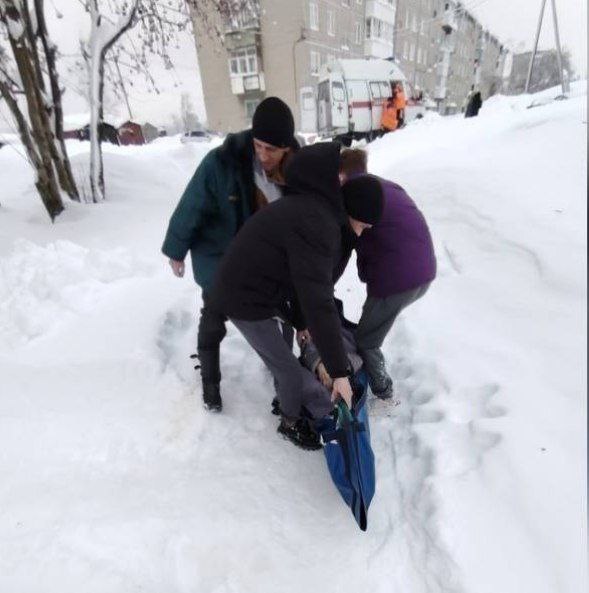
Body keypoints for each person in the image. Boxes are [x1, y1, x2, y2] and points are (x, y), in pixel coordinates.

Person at [209, 142, 384, 450]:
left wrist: (300, 320)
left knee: (288, 345)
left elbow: (300, 280)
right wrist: (340, 372)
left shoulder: (316, 211)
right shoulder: (319, 225)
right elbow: (319, 301)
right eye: (365, 225)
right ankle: (290, 422)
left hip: (262, 285)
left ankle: (285, 382)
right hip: (242, 298)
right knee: (288, 370)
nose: (365, 232)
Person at [162, 97, 298, 412]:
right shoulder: (221, 163)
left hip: (263, 262)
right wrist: (176, 249)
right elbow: (191, 206)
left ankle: (280, 364)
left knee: (287, 308)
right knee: (213, 317)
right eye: (259, 146)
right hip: (219, 255)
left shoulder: (294, 169)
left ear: (287, 148)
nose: (263, 155)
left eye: (272, 150)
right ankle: (210, 385)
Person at [339, 149, 436, 400]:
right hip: (422, 270)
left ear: (342, 175)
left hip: (399, 279)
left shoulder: (355, 198)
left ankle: (384, 394)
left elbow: (356, 244)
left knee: (366, 339)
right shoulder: (384, 187)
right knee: (369, 327)